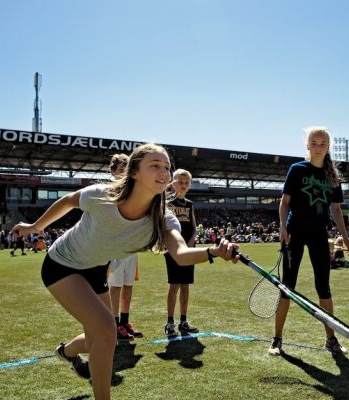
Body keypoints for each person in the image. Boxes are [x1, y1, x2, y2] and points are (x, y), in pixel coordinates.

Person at [12, 143, 238, 400]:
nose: (164, 172)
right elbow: (68, 201)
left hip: (96, 269)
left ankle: (67, 352)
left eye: (166, 167)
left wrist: (214, 251)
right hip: (62, 265)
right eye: (155, 165)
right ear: (134, 172)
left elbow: (181, 255)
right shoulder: (102, 195)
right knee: (107, 330)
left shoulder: (164, 217)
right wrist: (34, 226)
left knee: (102, 335)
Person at [269, 126, 349, 356]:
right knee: (287, 286)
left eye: (322, 143)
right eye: (314, 143)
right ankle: (277, 339)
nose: (318, 147)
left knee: (323, 287)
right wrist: (283, 227)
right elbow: (284, 202)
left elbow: (335, 209)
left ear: (328, 147)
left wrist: (345, 237)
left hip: (318, 234)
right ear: (307, 145)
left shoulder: (333, 176)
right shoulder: (296, 169)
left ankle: (331, 340)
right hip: (295, 232)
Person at [107, 153, 143, 341]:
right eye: (121, 170)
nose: (124, 175)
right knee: (115, 287)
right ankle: (113, 325)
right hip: (115, 247)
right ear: (113, 171)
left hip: (132, 247)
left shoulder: (133, 191)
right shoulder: (109, 191)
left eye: (127, 171)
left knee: (128, 285)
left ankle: (124, 322)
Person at [164, 168, 200, 336]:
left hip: (188, 249)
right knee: (174, 285)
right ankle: (170, 323)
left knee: (185, 285)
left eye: (187, 182)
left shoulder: (189, 204)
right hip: (172, 250)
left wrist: (191, 242)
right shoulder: (167, 202)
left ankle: (183, 321)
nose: (183, 185)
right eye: (180, 182)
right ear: (173, 183)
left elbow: (193, 227)